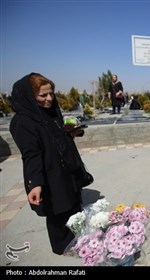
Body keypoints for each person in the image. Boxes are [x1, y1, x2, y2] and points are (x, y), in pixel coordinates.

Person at [9, 73, 91, 255]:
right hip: (49, 172)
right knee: (58, 209)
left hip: (65, 169)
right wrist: (35, 183)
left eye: (51, 94)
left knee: (72, 203)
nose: (49, 99)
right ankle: (62, 247)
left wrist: (69, 132)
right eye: (43, 95)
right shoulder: (23, 122)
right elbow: (31, 154)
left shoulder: (49, 113)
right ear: (29, 96)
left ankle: (79, 239)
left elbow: (56, 137)